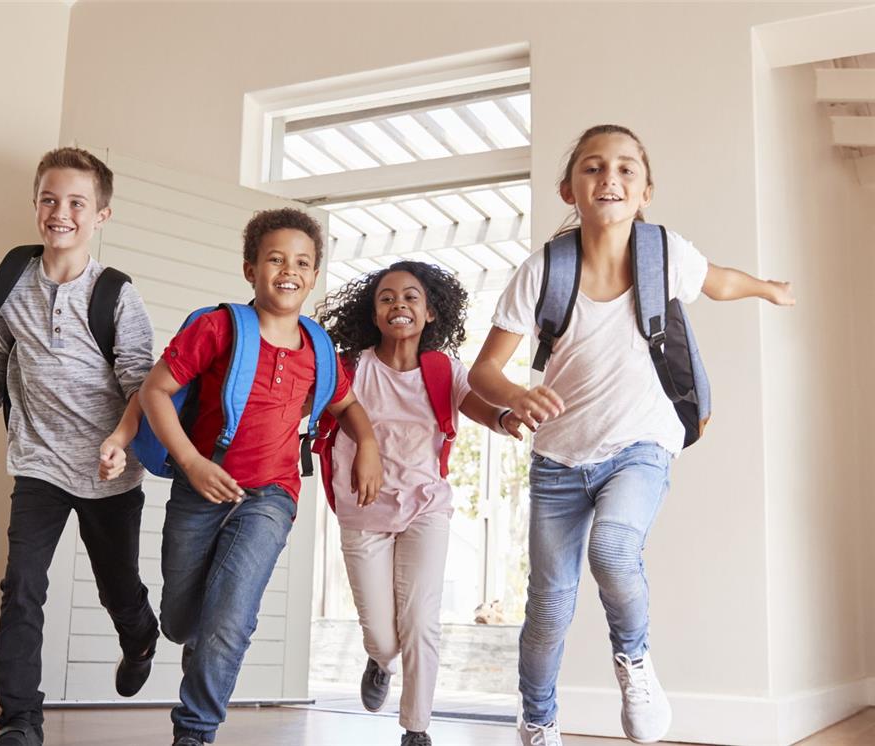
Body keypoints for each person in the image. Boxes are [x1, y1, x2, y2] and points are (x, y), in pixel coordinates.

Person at [468, 125, 795, 746]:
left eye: (625, 168)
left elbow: (719, 281)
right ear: (569, 188)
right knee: (548, 610)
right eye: (593, 168)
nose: (609, 178)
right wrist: (515, 396)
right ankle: (536, 720)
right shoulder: (543, 269)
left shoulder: (664, 253)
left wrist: (767, 288)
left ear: (646, 191)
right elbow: (484, 370)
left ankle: (635, 662)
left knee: (614, 551)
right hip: (558, 460)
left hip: (641, 444)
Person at [138, 208, 383, 746]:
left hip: (271, 495)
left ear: (315, 274)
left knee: (232, 616)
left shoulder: (319, 348)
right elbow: (153, 392)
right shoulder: (218, 327)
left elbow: (348, 405)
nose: (288, 270)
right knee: (182, 621)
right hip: (201, 488)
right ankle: (190, 643)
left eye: (302, 262)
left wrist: (366, 441)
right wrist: (193, 463)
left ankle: (195, 732)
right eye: (275, 259)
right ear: (250, 268)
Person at [0, 147, 158, 746]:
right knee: (21, 586)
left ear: (102, 215)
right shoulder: (12, 279)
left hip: (107, 470)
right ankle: (21, 722)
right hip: (38, 462)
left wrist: (121, 441)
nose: (60, 212)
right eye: (49, 199)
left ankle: (139, 631)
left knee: (115, 583)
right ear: (35, 204)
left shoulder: (116, 294)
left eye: (76, 202)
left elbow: (143, 385)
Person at [316, 261, 522, 746]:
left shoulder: (443, 369)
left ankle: (416, 728)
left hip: (426, 506)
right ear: (374, 313)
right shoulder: (351, 367)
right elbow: (320, 410)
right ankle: (380, 661)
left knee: (421, 619)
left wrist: (506, 417)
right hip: (363, 509)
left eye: (411, 297)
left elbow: (478, 406)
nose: (399, 305)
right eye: (387, 298)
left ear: (431, 313)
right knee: (384, 637)